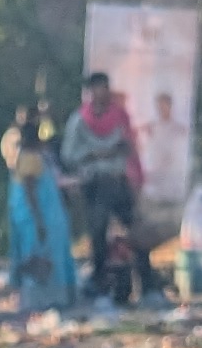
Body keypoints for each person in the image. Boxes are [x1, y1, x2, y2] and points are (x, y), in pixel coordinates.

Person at [58, 71, 149, 306]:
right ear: (90, 92)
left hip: (118, 181)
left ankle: (147, 286)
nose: (103, 94)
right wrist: (97, 154)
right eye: (99, 89)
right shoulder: (79, 121)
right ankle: (99, 289)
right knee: (98, 237)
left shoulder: (120, 117)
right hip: (95, 184)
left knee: (137, 233)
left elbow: (130, 147)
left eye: (106, 88)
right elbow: (69, 156)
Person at [2, 107, 78, 313]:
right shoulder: (29, 158)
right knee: (37, 255)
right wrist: (39, 221)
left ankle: (52, 299)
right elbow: (30, 191)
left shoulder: (37, 156)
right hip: (37, 217)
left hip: (45, 216)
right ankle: (39, 300)